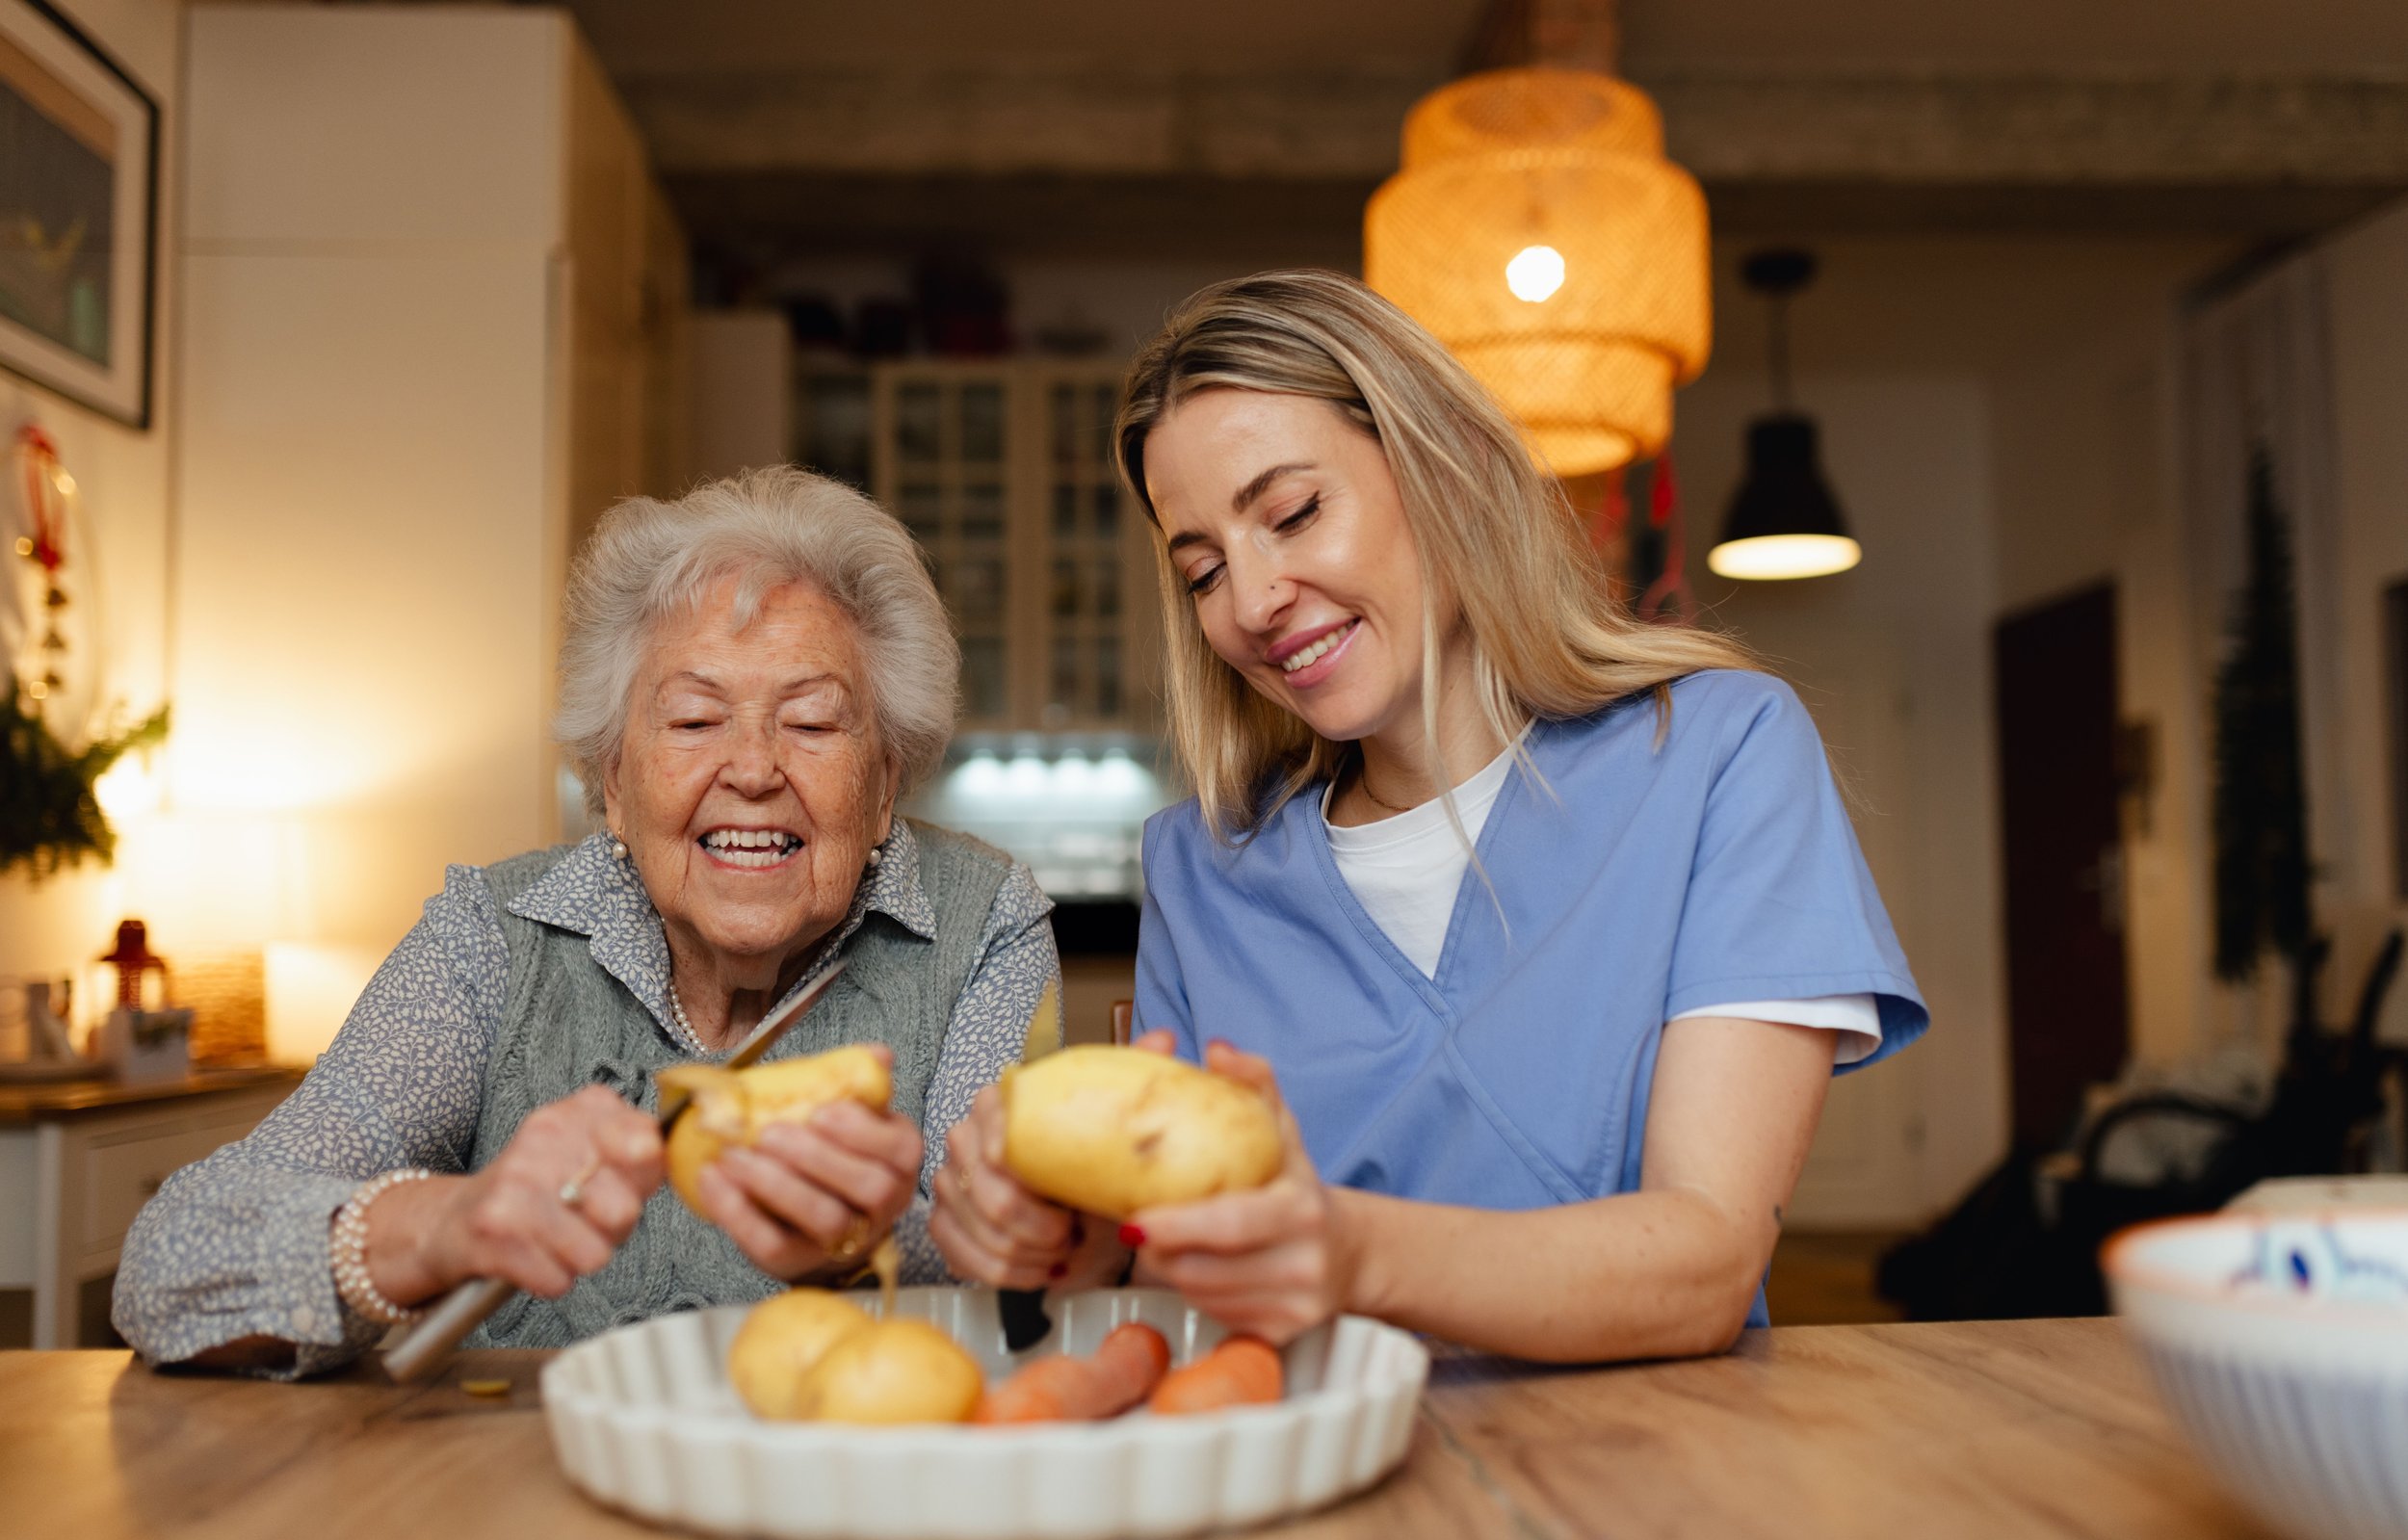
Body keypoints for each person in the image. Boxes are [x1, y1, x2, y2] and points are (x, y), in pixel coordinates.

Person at [929, 271, 1925, 1363]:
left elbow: (1704, 1257)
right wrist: (1081, 1253)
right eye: (1203, 569)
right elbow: (1188, 1271)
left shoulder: (1714, 755)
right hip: (1309, 1482)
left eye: (1294, 512)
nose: (1253, 602)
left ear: (1439, 467)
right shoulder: (1201, 868)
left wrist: (1354, 1250)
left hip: (1650, 1484)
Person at [117, 467, 1058, 1375]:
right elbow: (167, 1269)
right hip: (513, 1499)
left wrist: (863, 1242)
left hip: (851, 1497)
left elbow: (1034, 1292)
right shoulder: (491, 937)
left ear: (885, 782)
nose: (754, 768)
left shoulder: (981, 926)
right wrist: (447, 1223)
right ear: (611, 779)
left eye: (812, 722)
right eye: (693, 720)